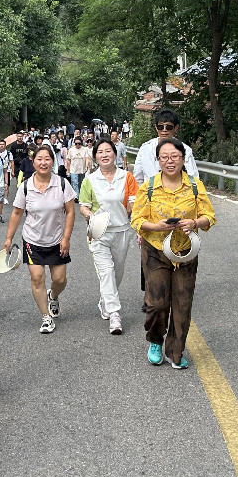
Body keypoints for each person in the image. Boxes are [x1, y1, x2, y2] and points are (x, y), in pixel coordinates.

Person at [130, 137, 215, 369]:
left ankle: (175, 351)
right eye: (164, 157)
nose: (170, 161)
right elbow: (136, 219)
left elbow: (209, 216)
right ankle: (156, 340)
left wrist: (195, 223)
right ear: (158, 160)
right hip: (156, 250)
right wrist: (155, 227)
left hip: (186, 251)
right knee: (157, 303)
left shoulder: (195, 186)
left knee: (182, 304)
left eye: (175, 156)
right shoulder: (149, 187)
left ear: (183, 159)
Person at [3, 143, 75, 335]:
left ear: (53, 162)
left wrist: (66, 238)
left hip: (57, 240)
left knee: (59, 279)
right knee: (37, 278)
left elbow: (70, 212)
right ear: (33, 162)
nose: (43, 163)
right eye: (39, 159)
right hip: (32, 240)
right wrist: (8, 238)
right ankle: (46, 317)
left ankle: (53, 296)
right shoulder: (26, 186)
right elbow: (17, 213)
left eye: (47, 159)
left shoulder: (62, 184)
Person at [78, 138, 138, 336]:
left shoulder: (127, 177)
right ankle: (114, 314)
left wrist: (132, 209)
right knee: (107, 272)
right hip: (99, 232)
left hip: (121, 230)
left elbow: (134, 203)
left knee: (117, 274)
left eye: (108, 151)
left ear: (115, 153)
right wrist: (89, 214)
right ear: (95, 156)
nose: (104, 155)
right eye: (100, 152)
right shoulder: (90, 180)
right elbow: (83, 206)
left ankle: (105, 300)